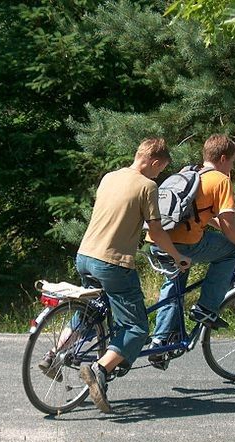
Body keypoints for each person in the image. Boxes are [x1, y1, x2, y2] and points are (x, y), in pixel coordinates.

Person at [72, 138, 190, 413]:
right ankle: (99, 370)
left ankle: (56, 355)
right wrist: (177, 256)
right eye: (160, 170)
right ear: (155, 163)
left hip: (84, 256)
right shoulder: (148, 186)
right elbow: (156, 233)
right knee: (137, 327)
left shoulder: (109, 177)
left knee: (91, 310)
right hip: (112, 263)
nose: (159, 175)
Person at [146, 134, 235, 368]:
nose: (233, 166)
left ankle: (160, 342)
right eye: (232, 161)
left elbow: (200, 216)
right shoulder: (220, 180)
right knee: (230, 251)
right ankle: (206, 308)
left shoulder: (191, 173)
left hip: (157, 239)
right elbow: (228, 224)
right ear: (222, 158)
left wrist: (220, 226)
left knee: (174, 285)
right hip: (183, 244)